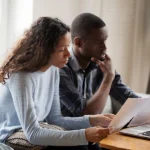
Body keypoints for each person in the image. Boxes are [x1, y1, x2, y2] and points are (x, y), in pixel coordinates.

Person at [0, 17, 114, 150]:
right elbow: (33, 133)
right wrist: (84, 134)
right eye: (61, 50)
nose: (68, 54)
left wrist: (93, 120)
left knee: (86, 143)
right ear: (44, 50)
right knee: (79, 142)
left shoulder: (53, 70)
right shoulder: (21, 76)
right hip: (11, 134)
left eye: (68, 47)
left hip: (38, 128)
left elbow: (55, 119)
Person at [59, 12, 140, 117]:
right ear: (78, 43)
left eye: (105, 40)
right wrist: (108, 77)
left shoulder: (100, 65)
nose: (105, 47)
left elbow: (127, 97)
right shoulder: (61, 69)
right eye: (98, 42)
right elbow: (86, 115)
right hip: (64, 130)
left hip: (93, 130)